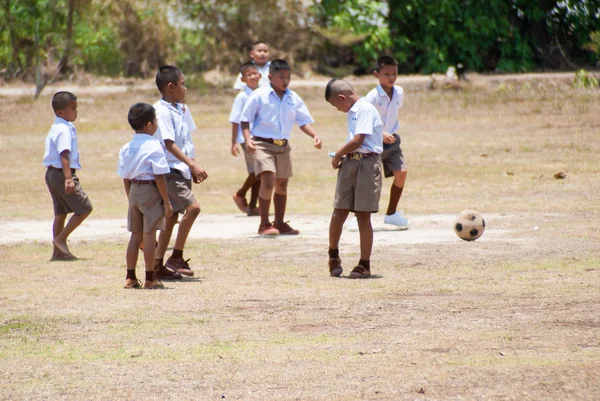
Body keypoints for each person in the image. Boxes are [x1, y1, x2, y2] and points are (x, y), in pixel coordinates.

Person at [240, 59, 322, 236]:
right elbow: (245, 119)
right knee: (268, 180)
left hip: (283, 146)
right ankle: (264, 224)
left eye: (288, 76)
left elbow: (302, 121)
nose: (285, 80)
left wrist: (314, 135)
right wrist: (247, 140)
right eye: (281, 77)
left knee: (282, 183)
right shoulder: (259, 95)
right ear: (270, 77)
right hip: (262, 144)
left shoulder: (292, 97)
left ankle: (280, 223)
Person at [153, 65, 208, 279]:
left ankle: (157, 266)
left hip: (182, 168)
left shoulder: (182, 109)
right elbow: (169, 143)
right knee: (193, 209)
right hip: (169, 170)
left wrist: (192, 164)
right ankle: (176, 256)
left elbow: (186, 141)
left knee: (172, 216)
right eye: (182, 84)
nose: (185, 88)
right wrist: (191, 165)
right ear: (170, 86)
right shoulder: (161, 110)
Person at [325, 79, 383, 279]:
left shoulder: (364, 108)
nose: (337, 109)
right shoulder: (353, 111)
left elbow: (359, 139)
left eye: (335, 105)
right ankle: (333, 255)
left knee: (363, 215)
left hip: (367, 165)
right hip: (351, 163)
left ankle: (364, 264)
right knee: (339, 211)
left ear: (342, 97)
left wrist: (338, 154)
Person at [118, 103, 173, 289]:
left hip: (134, 190)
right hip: (150, 190)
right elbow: (159, 176)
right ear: (149, 125)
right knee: (149, 236)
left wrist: (130, 197)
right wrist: (166, 201)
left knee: (135, 236)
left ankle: (130, 277)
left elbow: (125, 177)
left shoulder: (126, 147)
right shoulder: (154, 145)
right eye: (156, 121)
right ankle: (150, 278)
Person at [42, 91, 93, 260]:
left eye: (76, 107)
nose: (76, 111)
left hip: (51, 173)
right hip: (61, 174)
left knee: (60, 213)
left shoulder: (58, 126)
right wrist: (69, 178)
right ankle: (60, 240)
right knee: (84, 208)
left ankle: (58, 253)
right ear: (60, 112)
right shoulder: (63, 129)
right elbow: (64, 155)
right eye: (72, 108)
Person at [364, 55, 409, 228]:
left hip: (392, 141)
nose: (391, 78)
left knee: (401, 173)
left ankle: (391, 214)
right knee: (369, 182)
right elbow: (364, 120)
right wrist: (380, 133)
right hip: (372, 142)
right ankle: (358, 217)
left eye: (394, 74)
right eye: (386, 74)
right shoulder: (372, 97)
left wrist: (388, 133)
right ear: (377, 74)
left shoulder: (399, 92)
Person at [230, 62, 261, 216]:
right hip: (245, 137)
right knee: (258, 170)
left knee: (259, 172)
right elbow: (235, 120)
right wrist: (234, 142)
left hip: (260, 137)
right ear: (243, 79)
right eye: (249, 75)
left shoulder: (261, 93)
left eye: (255, 74)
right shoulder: (242, 97)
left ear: (260, 75)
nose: (253, 77)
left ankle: (254, 207)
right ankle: (240, 194)